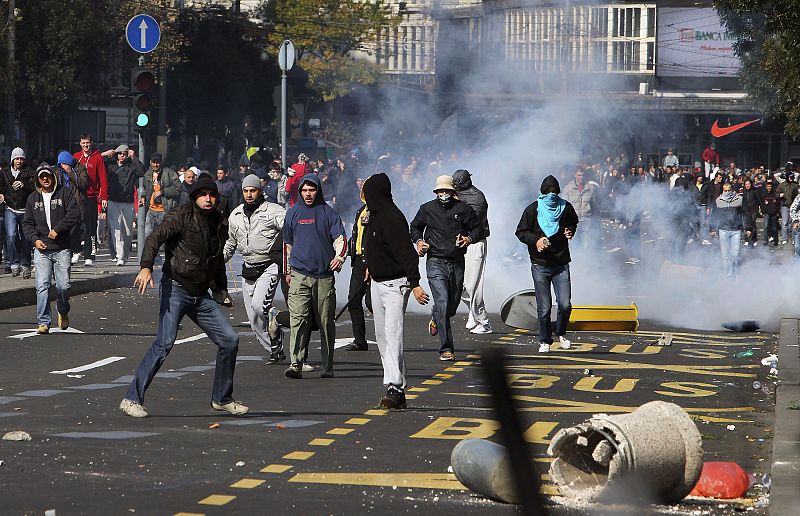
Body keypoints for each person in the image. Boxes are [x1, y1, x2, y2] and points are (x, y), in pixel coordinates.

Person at [120, 176, 247, 418]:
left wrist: (221, 292)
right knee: (164, 343)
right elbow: (154, 237)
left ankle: (222, 398)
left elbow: (217, 259)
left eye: (211, 195)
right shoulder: (181, 215)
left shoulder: (219, 222)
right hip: (176, 287)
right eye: (202, 194)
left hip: (201, 294)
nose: (208, 199)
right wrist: (146, 267)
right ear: (194, 197)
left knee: (230, 340)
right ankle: (131, 399)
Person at [361, 173, 430, 408]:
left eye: (368, 193)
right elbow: (374, 245)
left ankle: (394, 386)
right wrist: (370, 267)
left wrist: (415, 283)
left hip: (395, 285)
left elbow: (406, 253)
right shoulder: (375, 217)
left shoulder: (392, 217)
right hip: (377, 283)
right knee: (381, 337)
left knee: (393, 336)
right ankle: (397, 388)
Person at [410, 175, 482, 361]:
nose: (443, 194)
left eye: (447, 191)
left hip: (457, 262)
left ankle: (436, 316)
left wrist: (469, 239)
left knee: (451, 306)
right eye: (440, 191)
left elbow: (478, 228)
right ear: (435, 192)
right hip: (435, 261)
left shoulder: (463, 209)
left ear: (453, 192)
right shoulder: (427, 209)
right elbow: (415, 227)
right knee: (442, 302)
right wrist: (419, 241)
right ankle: (446, 348)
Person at [282, 174, 347, 379]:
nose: (308, 194)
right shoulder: (292, 213)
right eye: (305, 190)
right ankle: (296, 363)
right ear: (300, 191)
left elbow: (341, 239)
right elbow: (287, 246)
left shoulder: (329, 213)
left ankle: (327, 366)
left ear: (318, 191)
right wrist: (287, 271)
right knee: (298, 319)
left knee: (326, 321)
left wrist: (340, 257)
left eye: (312, 190)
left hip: (324, 276)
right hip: (299, 274)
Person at [224, 175, 287, 364]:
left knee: (259, 306)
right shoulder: (235, 215)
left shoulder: (275, 210)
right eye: (246, 191)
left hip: (269, 266)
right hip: (248, 269)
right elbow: (230, 244)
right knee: (254, 321)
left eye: (253, 190)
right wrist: (216, 260)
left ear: (260, 191)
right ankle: (275, 347)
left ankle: (278, 321)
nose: (249, 194)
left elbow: (291, 230)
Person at [515, 175, 579, 353]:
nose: (551, 194)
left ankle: (560, 332)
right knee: (544, 307)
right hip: (540, 264)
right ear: (542, 192)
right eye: (548, 191)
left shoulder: (565, 207)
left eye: (554, 191)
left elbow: (573, 222)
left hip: (561, 263)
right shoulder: (533, 209)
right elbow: (521, 232)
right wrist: (536, 240)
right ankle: (544, 340)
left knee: (565, 304)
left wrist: (570, 230)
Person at [22, 165, 81, 334]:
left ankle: (63, 310)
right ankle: (44, 321)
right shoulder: (32, 198)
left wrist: (58, 229)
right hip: (42, 249)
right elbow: (27, 223)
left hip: (62, 248)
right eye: (42, 177)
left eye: (48, 176)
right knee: (42, 285)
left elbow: (75, 214)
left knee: (64, 286)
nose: (45, 179)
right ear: (38, 180)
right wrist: (35, 240)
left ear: (53, 177)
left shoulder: (65, 193)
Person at [452, 169, 492, 334]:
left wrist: (455, 203)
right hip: (459, 243)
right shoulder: (458, 196)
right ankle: (473, 313)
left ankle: (483, 322)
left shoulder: (476, 197)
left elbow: (468, 219)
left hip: (474, 243)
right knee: (457, 285)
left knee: (472, 285)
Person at [342, 187, 373, 352]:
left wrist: (371, 264)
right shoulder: (361, 211)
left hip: (374, 263)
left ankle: (389, 338)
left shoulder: (381, 212)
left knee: (372, 303)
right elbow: (356, 236)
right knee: (353, 301)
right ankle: (360, 341)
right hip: (358, 262)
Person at [106, 145, 145, 265]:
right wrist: (105, 155)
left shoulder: (132, 166)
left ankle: (125, 254)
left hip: (128, 202)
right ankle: (120, 256)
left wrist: (134, 157)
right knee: (116, 230)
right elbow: (99, 169)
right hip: (113, 201)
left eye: (124, 153)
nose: (122, 155)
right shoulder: (110, 166)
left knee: (128, 232)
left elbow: (142, 171)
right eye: (120, 153)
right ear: (116, 155)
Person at [72, 134, 108, 266]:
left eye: (87, 143)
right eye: (83, 143)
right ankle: (76, 250)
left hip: (92, 197)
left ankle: (90, 255)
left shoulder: (97, 158)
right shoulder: (76, 157)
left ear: (91, 143)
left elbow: (103, 179)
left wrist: (104, 197)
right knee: (74, 225)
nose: (85, 145)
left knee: (91, 226)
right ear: (80, 144)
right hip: (77, 197)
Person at [0, 147, 35, 278]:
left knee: (26, 239)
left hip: (25, 209)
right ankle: (14, 263)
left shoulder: (29, 171)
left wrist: (24, 184)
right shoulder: (5, 172)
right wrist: (1, 195)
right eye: (17, 158)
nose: (19, 161)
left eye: (21, 158)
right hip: (10, 208)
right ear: (12, 159)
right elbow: (1, 187)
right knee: (11, 236)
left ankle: (25, 264)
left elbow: (35, 186)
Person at [55, 151, 88, 262]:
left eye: (65, 163)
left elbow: (83, 185)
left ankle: (76, 249)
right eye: (61, 164)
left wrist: (70, 172)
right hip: (61, 205)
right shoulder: (57, 172)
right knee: (63, 231)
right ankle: (66, 256)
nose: (63, 166)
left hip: (76, 204)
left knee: (74, 231)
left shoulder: (80, 168)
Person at [141, 153, 181, 239]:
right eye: (154, 162)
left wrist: (162, 192)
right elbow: (144, 188)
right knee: (148, 237)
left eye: (158, 162)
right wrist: (143, 196)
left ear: (161, 162)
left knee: (164, 237)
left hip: (164, 210)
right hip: (150, 210)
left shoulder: (169, 173)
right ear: (150, 162)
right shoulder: (148, 174)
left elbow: (177, 189)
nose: (156, 165)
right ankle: (153, 253)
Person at [562, 167, 599, 251]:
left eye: (582, 175)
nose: (581, 177)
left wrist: (595, 217)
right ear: (575, 175)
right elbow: (563, 206)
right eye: (579, 175)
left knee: (587, 244)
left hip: (586, 220)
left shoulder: (589, 187)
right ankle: (577, 261)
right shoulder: (568, 188)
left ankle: (586, 261)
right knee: (574, 245)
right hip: (573, 222)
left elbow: (593, 204)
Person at [714, 181, 744, 277]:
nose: (727, 192)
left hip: (736, 230)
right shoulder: (718, 201)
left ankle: (736, 275)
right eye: (725, 190)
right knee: (725, 256)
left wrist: (748, 227)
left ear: (732, 189)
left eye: (729, 190)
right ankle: (727, 276)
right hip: (723, 230)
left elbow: (745, 213)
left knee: (735, 255)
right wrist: (712, 228)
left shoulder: (739, 200)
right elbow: (715, 215)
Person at [777, 172, 798, 245]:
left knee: (793, 223)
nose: (791, 178)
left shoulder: (795, 184)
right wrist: (779, 195)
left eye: (792, 177)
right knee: (785, 223)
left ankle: (792, 238)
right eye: (790, 177)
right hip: (785, 206)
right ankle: (785, 238)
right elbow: (776, 194)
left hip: (794, 206)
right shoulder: (782, 184)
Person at [760, 179, 780, 245]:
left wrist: (777, 211)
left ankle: (776, 241)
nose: (769, 188)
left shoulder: (775, 194)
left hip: (774, 213)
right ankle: (765, 241)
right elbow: (762, 204)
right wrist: (763, 212)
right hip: (766, 213)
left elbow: (778, 203)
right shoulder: (763, 194)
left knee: (774, 227)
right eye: (768, 186)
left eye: (770, 186)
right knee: (766, 226)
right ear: (766, 187)